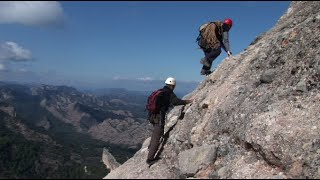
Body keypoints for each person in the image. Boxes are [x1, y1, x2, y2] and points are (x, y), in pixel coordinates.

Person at [146, 77, 193, 165]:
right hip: (159, 116)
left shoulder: (161, 90)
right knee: (157, 136)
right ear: (173, 85)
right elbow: (175, 101)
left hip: (152, 115)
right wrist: (187, 101)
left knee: (155, 132)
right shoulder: (168, 93)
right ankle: (150, 159)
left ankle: (150, 147)